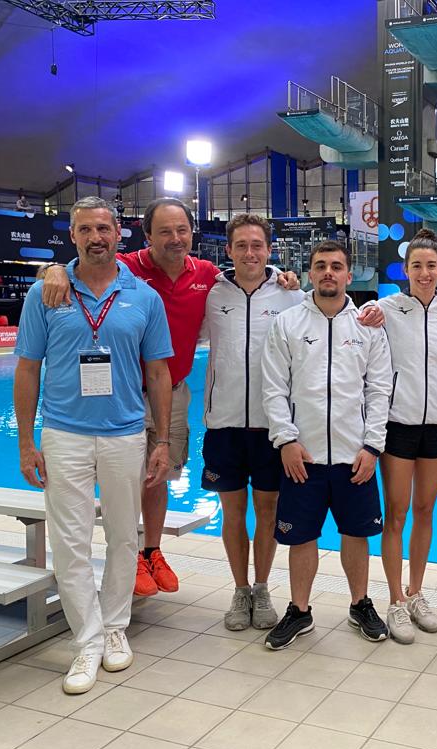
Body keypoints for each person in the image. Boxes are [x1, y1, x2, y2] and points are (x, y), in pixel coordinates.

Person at [40, 199, 329, 597]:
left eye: (182, 231)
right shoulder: (131, 268)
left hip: (173, 391)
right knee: (118, 478)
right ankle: (116, 562)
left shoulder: (209, 277)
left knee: (158, 474)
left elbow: (291, 300)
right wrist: (52, 269)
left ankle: (151, 551)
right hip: (121, 390)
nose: (175, 239)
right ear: (147, 236)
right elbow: (84, 261)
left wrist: (288, 277)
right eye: (165, 231)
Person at [13, 196, 173, 694]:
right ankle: (86, 640)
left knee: (125, 536)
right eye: (86, 229)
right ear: (73, 235)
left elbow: (159, 372)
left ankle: (115, 628)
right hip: (64, 433)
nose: (96, 237)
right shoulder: (46, 293)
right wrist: (25, 441)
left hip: (126, 433)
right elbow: (27, 369)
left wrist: (161, 439)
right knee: (70, 542)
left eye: (103, 228)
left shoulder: (144, 297)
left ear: (118, 232)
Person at [262, 240, 393, 649]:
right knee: (301, 537)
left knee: (357, 534)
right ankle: (299, 611)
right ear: (310, 273)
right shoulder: (288, 323)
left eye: (337, 266)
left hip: (355, 454)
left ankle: (360, 604)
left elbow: (379, 390)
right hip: (305, 454)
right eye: (321, 266)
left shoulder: (367, 326)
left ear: (349, 275)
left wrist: (372, 447)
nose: (329, 273)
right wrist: (285, 440)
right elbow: (273, 388)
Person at [202, 213, 304, 631]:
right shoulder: (210, 294)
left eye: (257, 245)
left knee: (267, 510)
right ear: (228, 250)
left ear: (269, 250)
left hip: (270, 426)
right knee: (232, 512)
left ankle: (262, 587)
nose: (249, 252)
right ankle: (240, 588)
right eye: (241, 245)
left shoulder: (290, 296)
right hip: (223, 424)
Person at [376, 228, 437, 643]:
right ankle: (394, 600)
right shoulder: (385, 308)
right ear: (405, 270)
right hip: (397, 424)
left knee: (425, 512)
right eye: (416, 266)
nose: (424, 273)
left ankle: (416, 593)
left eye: (431, 266)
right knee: (396, 513)